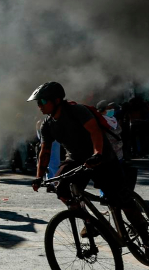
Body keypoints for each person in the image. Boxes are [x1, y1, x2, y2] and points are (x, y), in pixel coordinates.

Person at [29, 82, 144, 236]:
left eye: (42, 101)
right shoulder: (47, 125)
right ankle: (89, 222)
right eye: (38, 102)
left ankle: (145, 233)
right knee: (61, 188)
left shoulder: (77, 111)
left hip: (103, 158)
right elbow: (45, 151)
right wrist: (38, 176)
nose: (39, 106)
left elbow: (95, 132)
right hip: (75, 159)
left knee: (121, 198)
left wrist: (97, 154)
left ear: (56, 100)